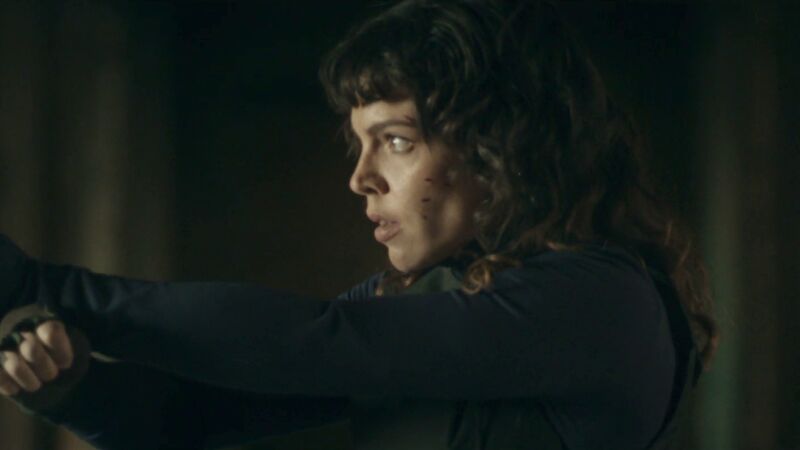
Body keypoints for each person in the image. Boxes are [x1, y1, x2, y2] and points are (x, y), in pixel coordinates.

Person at [0, 1, 719, 449]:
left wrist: (41, 288)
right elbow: (187, 420)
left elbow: (316, 340)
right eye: (362, 144)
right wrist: (70, 387)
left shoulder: (602, 301)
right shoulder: (442, 300)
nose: (361, 177)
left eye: (397, 141)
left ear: (498, 146)